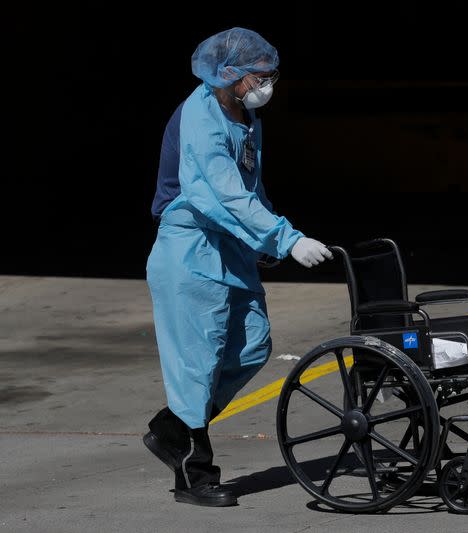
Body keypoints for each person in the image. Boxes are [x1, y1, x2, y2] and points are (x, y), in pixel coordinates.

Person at [143, 27, 332, 507]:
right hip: (191, 247)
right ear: (228, 76)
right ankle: (195, 475)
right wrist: (285, 239)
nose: (268, 83)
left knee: (252, 345)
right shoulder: (200, 119)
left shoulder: (245, 116)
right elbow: (221, 194)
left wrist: (264, 243)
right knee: (198, 361)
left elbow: (250, 189)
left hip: (231, 244)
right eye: (260, 76)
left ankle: (170, 428)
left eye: (272, 74)